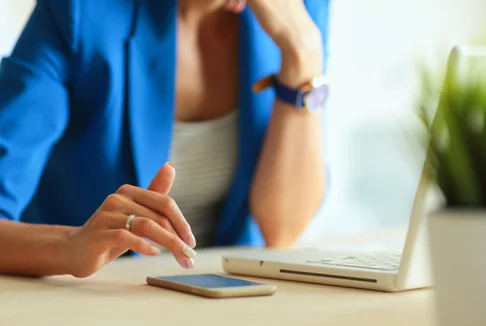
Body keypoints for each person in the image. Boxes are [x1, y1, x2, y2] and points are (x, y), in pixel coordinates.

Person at [0, 0, 331, 278]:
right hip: (92, 299)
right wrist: (70, 245)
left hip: (231, 296)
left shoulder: (298, 11)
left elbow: (283, 230)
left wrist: (303, 52)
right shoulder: (80, 11)